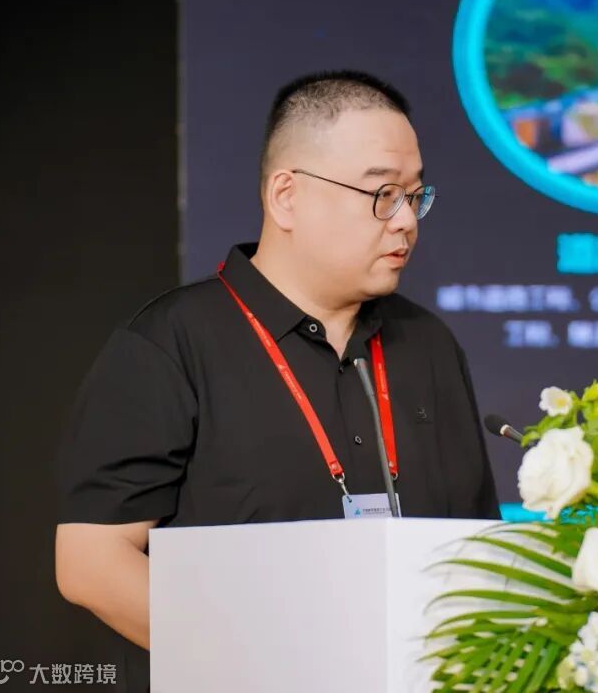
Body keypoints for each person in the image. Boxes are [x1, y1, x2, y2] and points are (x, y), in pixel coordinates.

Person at [54, 70, 499, 691]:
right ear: (286, 195)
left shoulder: (428, 345)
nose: (406, 221)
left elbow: (475, 553)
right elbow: (91, 563)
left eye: (415, 195)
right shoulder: (172, 343)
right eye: (383, 194)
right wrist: (270, 665)